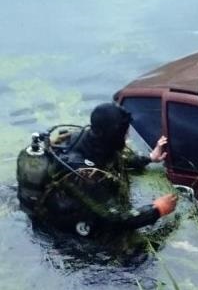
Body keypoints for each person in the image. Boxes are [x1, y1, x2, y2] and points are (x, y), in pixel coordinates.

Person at [16, 102, 178, 238]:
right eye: (123, 133)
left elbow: (115, 156)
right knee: (135, 258)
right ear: (112, 135)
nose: (128, 136)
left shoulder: (91, 137)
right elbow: (116, 217)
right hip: (66, 225)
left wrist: (149, 157)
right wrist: (157, 209)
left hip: (78, 195)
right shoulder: (84, 174)